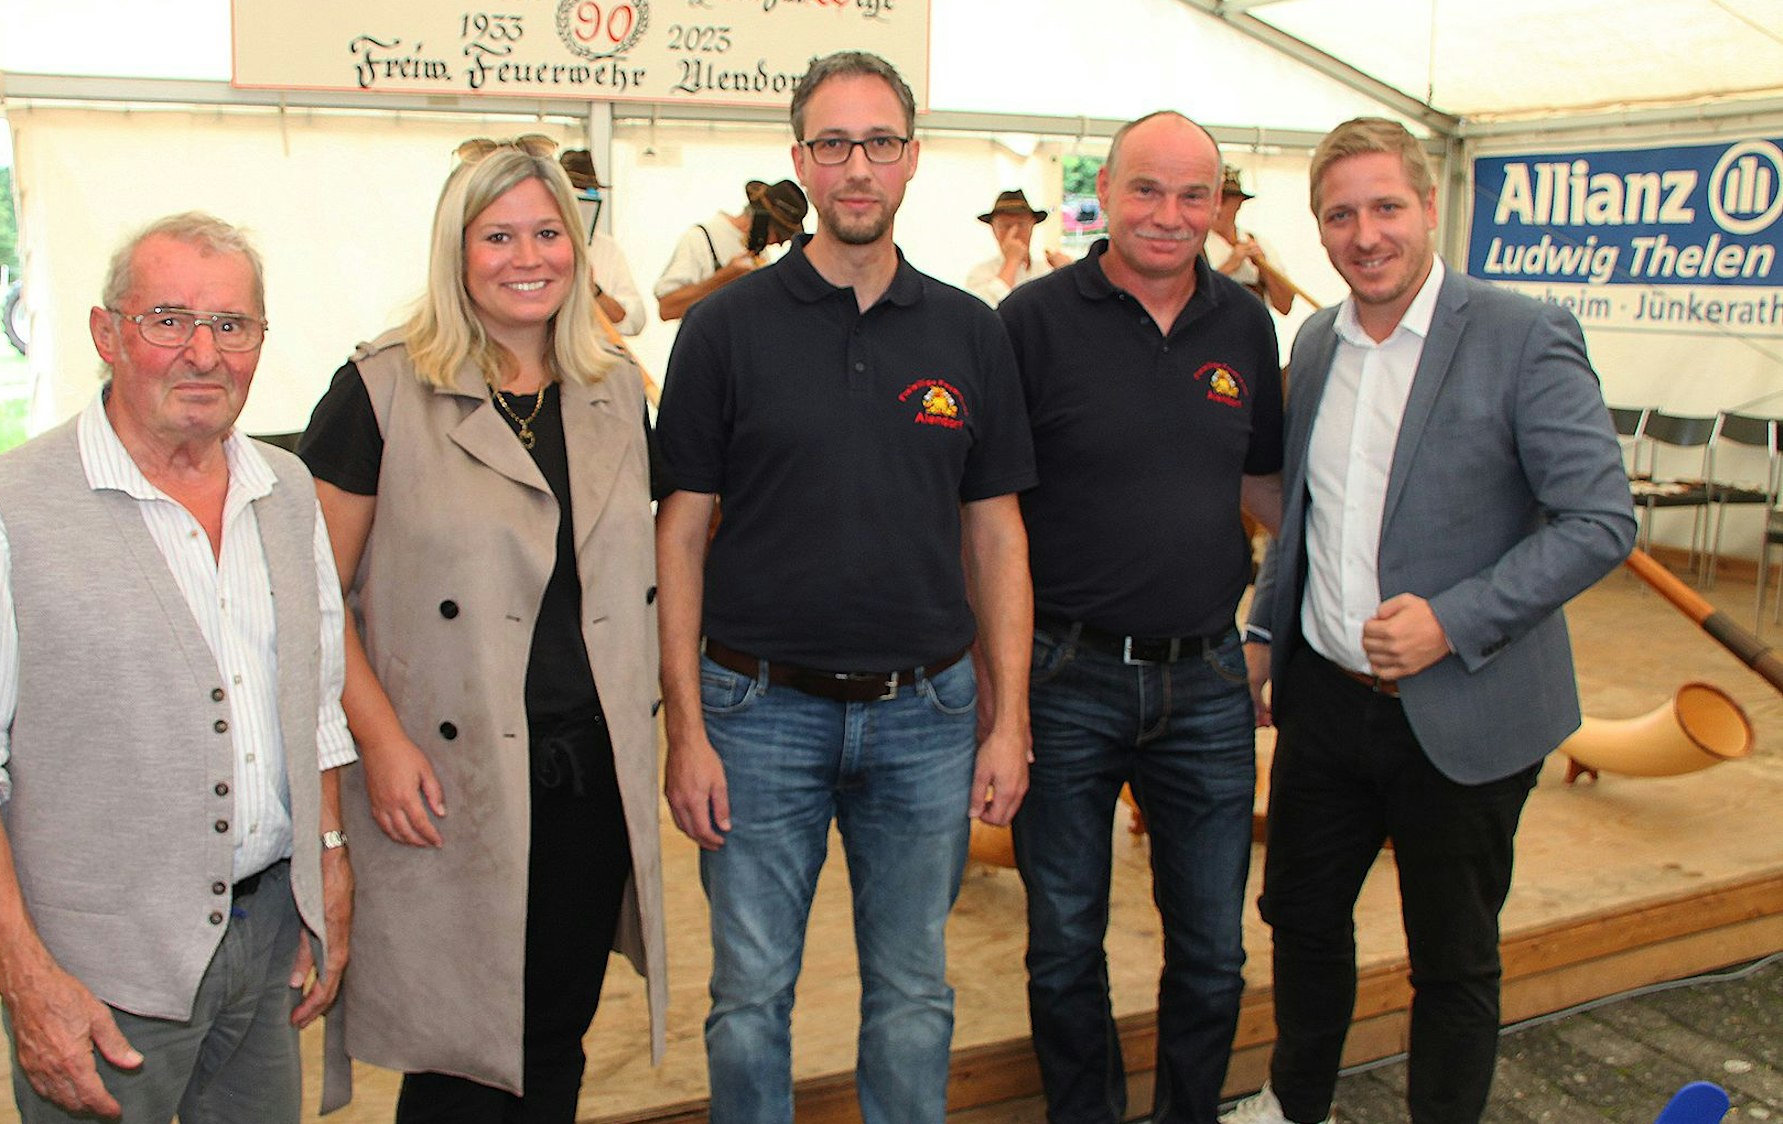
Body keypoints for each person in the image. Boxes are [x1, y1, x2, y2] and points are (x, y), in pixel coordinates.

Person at [0, 211, 355, 1121]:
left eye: (232, 327)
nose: (204, 354)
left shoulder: (284, 490)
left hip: (267, 948)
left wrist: (329, 868)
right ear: (107, 333)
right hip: (98, 977)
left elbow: (317, 706)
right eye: (168, 319)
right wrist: (29, 982)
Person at [1222, 117, 1636, 1124]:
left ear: (1430, 206)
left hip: (1465, 707)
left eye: (1384, 207)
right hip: (1325, 701)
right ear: (1317, 229)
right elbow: (1309, 523)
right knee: (1303, 920)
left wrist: (1453, 620)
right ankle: (1294, 1105)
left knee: (1451, 953)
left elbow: (1601, 518)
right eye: (1339, 214)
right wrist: (1268, 635)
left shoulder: (1520, 333)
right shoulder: (1315, 340)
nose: (1364, 234)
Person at [656, 50, 1039, 1124]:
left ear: (912, 159)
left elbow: (997, 534)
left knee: (914, 995)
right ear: (799, 162)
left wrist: (1007, 719)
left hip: (926, 716)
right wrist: (684, 728)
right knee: (747, 1002)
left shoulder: (969, 331)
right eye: (833, 144)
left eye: (878, 143)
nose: (856, 166)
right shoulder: (724, 329)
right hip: (753, 711)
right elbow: (678, 534)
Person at [296, 134, 667, 1123]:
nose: (527, 255)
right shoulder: (379, 392)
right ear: (454, 252)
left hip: (583, 776)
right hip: (449, 779)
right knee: (460, 1051)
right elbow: (309, 590)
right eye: (497, 234)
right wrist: (377, 740)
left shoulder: (613, 393)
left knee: (554, 1034)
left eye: (547, 231)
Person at [997, 111, 1284, 1124]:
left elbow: (1263, 486)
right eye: (1147, 190)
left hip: (1206, 679)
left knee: (1212, 949)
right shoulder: (1030, 321)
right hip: (1062, 673)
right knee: (1064, 941)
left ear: (1217, 204)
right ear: (1106, 194)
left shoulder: (1246, 324)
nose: (1169, 215)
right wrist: (999, 691)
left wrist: (1290, 613)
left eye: (1193, 194)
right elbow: (985, 514)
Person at [652, 176, 808, 320]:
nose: (779, 244)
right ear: (761, 220)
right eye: (780, 235)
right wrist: (724, 278)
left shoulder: (760, 253)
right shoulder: (700, 239)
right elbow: (667, 308)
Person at [560, 148, 647, 335]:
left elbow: (635, 320)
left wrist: (595, 291)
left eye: (590, 193)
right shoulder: (533, 248)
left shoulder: (608, 249)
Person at [1206, 167, 1296, 315]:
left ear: (1239, 203)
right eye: (1212, 199)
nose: (1216, 208)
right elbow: (1186, 300)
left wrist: (1264, 268)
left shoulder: (1258, 242)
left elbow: (1285, 306)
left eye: (1224, 200)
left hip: (1255, 334)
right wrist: (1230, 265)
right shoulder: (1194, 247)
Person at [966, 188, 1071, 308]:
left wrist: (1067, 272)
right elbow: (984, 310)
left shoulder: (1047, 270)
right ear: (994, 230)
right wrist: (1012, 262)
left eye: (1021, 225)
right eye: (1005, 226)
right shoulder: (981, 273)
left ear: (1032, 226)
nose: (1014, 233)